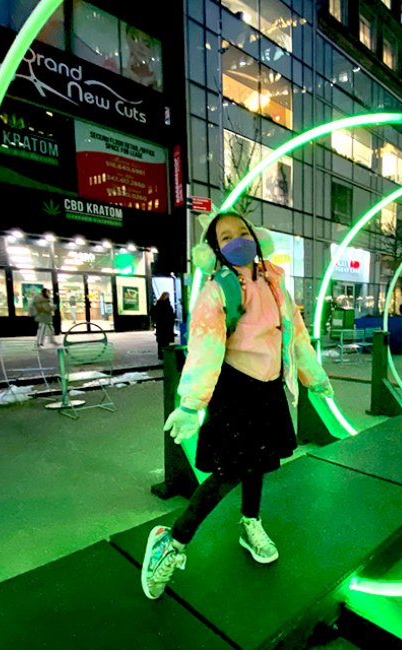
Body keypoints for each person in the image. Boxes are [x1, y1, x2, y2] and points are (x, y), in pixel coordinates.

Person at [140, 211, 334, 600]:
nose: (237, 240)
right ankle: (172, 541)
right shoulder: (217, 290)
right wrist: (191, 404)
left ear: (257, 237)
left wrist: (313, 376)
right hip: (235, 390)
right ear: (214, 250)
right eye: (225, 237)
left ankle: (250, 523)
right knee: (229, 471)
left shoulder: (276, 284)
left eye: (242, 232)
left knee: (259, 461)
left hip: (269, 389)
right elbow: (205, 347)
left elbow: (296, 336)